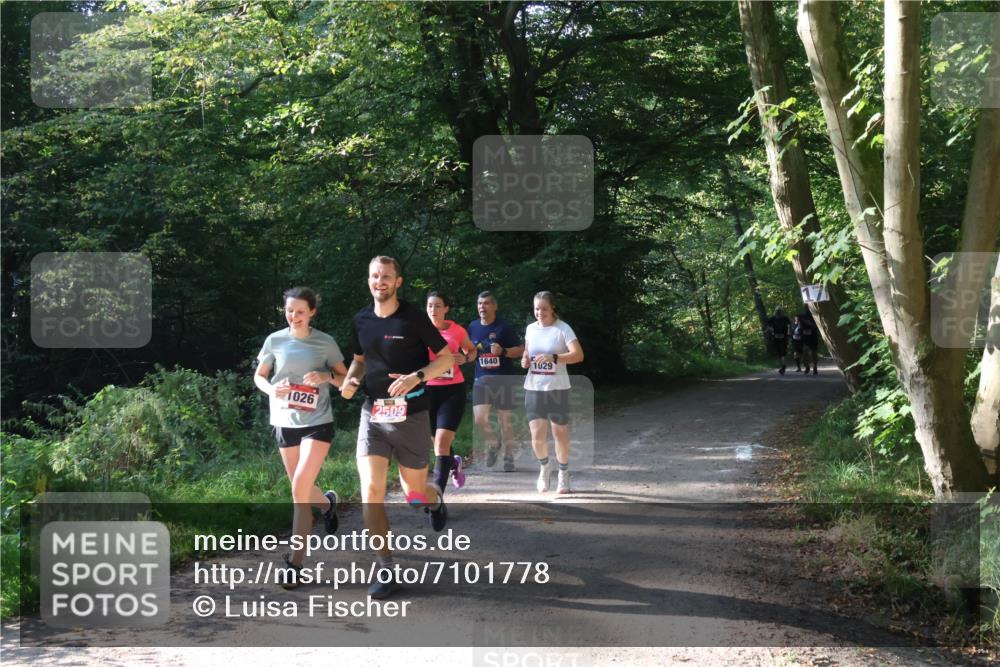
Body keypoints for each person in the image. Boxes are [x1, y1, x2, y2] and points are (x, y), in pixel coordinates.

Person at [340, 256, 454, 599]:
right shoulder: (361, 319)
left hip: (413, 415)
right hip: (373, 415)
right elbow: (360, 361)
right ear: (369, 279)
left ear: (398, 281)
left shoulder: (414, 319)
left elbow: (447, 358)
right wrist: (349, 380)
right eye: (374, 275)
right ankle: (386, 568)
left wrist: (416, 376)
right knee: (371, 491)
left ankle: (435, 500)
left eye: (386, 277)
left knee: (414, 495)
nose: (380, 281)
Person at [254, 286, 348, 588]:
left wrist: (326, 377)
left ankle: (294, 563)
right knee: (302, 488)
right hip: (284, 420)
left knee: (298, 489)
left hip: (317, 421)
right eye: (289, 311)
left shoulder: (325, 343)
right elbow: (260, 376)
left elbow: (346, 380)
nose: (294, 316)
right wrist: (272, 389)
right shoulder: (275, 340)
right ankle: (328, 505)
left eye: (300, 311)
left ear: (312, 313)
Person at [521, 291, 584, 494]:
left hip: (557, 389)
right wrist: (524, 360)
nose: (539, 312)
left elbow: (578, 355)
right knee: (537, 435)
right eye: (536, 308)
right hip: (534, 388)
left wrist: (554, 358)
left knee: (560, 434)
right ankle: (545, 467)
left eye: (544, 309)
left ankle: (564, 473)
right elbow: (527, 352)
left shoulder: (562, 329)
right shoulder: (530, 329)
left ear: (552, 308)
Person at [425, 291, 477, 491]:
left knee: (441, 443)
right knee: (437, 443)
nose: (433, 310)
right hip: (427, 391)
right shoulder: (420, 331)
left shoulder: (457, 331)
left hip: (452, 391)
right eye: (430, 305)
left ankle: (437, 497)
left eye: (438, 305)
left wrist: (465, 358)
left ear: (446, 309)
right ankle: (453, 463)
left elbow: (472, 350)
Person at [468, 291, 524, 472]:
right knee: (479, 419)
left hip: (503, 379)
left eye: (486, 303)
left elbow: (520, 350)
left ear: (494, 306)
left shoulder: (504, 328)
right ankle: (494, 444)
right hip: (481, 380)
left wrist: (504, 352)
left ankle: (509, 455)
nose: (482, 307)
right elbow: (468, 350)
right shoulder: (472, 326)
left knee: (505, 421)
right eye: (479, 303)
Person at [766, 307, 791, 375]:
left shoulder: (785, 318)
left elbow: (789, 326)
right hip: (776, 337)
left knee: (783, 352)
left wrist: (788, 332)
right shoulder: (772, 318)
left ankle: (783, 366)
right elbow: (768, 326)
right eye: (777, 311)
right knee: (780, 352)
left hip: (783, 337)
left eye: (779, 311)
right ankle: (782, 366)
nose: (778, 312)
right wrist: (771, 330)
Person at [798, 308, 820, 375]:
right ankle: (807, 366)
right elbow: (799, 324)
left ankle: (815, 368)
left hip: (813, 336)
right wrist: (800, 331)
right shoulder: (801, 314)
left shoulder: (815, 313)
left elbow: (818, 325)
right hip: (805, 337)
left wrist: (811, 324)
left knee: (813, 352)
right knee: (805, 352)